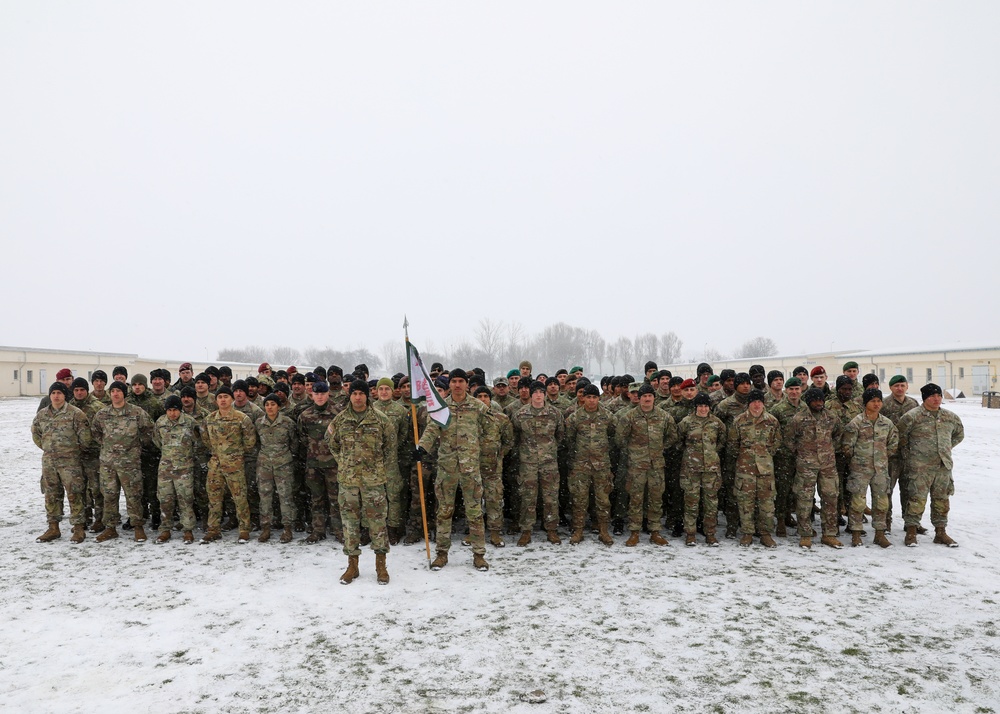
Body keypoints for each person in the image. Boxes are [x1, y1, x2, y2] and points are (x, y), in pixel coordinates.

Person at [416, 369, 491, 572]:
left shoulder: (477, 407)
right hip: (447, 467)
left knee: (474, 512)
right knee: (444, 512)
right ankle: (442, 553)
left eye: (461, 381)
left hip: (470, 468)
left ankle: (479, 554)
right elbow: (432, 429)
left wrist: (479, 452)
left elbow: (488, 431)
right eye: (454, 381)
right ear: (449, 384)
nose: (457, 385)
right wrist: (422, 447)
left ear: (467, 384)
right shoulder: (441, 407)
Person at [328, 380, 395, 585]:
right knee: (349, 523)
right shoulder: (340, 420)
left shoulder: (381, 420)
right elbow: (333, 444)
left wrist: (375, 467)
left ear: (368, 395)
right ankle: (352, 565)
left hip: (373, 481)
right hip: (348, 482)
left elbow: (390, 449)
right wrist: (345, 464)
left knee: (378, 523)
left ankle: (381, 565)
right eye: (354, 393)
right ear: (350, 396)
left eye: (361, 393)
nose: (358, 397)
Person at [897, 383, 964, 548]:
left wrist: (943, 449)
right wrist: (914, 455)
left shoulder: (950, 417)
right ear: (925, 398)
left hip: (943, 467)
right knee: (916, 499)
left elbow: (958, 435)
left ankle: (940, 532)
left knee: (942, 500)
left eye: (939, 396)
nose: (936, 399)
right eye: (932, 396)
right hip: (920, 467)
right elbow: (900, 437)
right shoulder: (912, 416)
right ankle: (911, 531)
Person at [615, 384, 679, 546]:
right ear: (640, 398)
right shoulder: (629, 417)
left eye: (650, 396)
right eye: (644, 396)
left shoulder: (664, 417)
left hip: (656, 465)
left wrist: (660, 448)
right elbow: (620, 439)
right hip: (636, 466)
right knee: (635, 498)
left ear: (654, 398)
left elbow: (672, 436)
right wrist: (634, 452)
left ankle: (655, 531)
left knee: (656, 498)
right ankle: (634, 531)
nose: (647, 399)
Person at [91, 381, 154, 543]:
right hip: (108, 464)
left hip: (130, 463)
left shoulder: (136, 412)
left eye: (119, 391)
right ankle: (110, 528)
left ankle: (138, 526)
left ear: (124, 394)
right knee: (109, 495)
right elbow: (96, 433)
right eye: (112, 391)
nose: (115, 394)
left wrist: (136, 445)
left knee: (133, 496)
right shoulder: (102, 414)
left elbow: (149, 431)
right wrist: (109, 447)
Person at [31, 382, 92, 543]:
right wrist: (46, 447)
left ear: (65, 395)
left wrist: (71, 451)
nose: (56, 396)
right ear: (50, 395)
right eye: (53, 393)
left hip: (70, 462)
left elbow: (85, 438)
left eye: (59, 393)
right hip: (49, 462)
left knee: (75, 494)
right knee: (51, 495)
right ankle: (53, 527)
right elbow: (36, 434)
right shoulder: (42, 415)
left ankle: (78, 528)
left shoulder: (75, 414)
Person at [786, 388, 843, 549]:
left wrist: (829, 450)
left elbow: (839, 435)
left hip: (827, 465)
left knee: (830, 498)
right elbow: (789, 439)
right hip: (806, 465)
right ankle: (805, 534)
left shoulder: (831, 417)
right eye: (815, 400)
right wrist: (801, 452)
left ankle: (829, 534)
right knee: (804, 499)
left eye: (821, 400)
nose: (819, 403)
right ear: (809, 401)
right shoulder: (799, 418)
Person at [511, 380, 565, 546]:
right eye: (535, 392)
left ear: (545, 394)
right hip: (528, 463)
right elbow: (515, 436)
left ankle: (551, 529)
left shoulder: (555, 413)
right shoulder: (520, 414)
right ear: (531, 394)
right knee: (528, 497)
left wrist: (548, 450)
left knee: (550, 497)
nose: (538, 395)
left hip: (549, 462)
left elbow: (560, 435)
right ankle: (526, 530)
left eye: (541, 392)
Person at [841, 389, 898, 548]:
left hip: (880, 469)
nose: (877, 404)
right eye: (873, 401)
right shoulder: (856, 423)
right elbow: (847, 446)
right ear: (866, 403)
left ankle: (880, 534)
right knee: (858, 503)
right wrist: (858, 460)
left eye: (879, 401)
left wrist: (883, 456)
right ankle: (856, 533)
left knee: (881, 503)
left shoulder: (886, 423)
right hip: (860, 469)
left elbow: (893, 443)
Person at [200, 385, 257, 544]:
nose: (223, 400)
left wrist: (234, 454)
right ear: (216, 400)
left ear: (232, 399)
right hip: (216, 464)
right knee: (214, 498)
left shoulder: (241, 418)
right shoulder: (210, 419)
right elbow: (205, 439)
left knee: (240, 497)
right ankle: (213, 529)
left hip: (235, 464)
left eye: (226, 396)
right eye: (220, 397)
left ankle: (244, 529)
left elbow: (250, 441)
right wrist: (218, 452)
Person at [729, 389, 782, 547]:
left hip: (765, 470)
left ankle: (765, 533)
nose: (756, 405)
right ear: (749, 403)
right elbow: (732, 445)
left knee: (767, 504)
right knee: (746, 503)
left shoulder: (772, 421)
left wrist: (765, 454)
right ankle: (747, 533)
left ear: (763, 403)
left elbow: (777, 441)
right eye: (753, 402)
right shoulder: (739, 421)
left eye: (759, 401)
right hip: (745, 470)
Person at [563, 384, 615, 545]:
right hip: (581, 465)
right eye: (589, 397)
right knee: (579, 499)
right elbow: (569, 440)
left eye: (595, 397)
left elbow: (614, 437)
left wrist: (604, 453)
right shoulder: (575, 417)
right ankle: (578, 530)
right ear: (583, 398)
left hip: (602, 465)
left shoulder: (608, 416)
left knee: (603, 500)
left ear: (598, 398)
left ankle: (604, 530)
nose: (592, 400)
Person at [297, 380, 346, 543]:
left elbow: (343, 439)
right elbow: (302, 438)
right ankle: (318, 530)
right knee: (316, 499)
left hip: (333, 464)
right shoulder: (305, 415)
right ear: (311, 395)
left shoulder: (338, 413)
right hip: (314, 466)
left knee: (335, 499)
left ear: (328, 394)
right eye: (316, 394)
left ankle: (338, 530)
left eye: (322, 394)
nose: (319, 397)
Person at [676, 393, 726, 546]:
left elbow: (722, 441)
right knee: (691, 502)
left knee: (711, 503)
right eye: (700, 406)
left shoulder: (716, 423)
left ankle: (710, 533)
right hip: (691, 469)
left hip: (711, 469)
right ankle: (690, 534)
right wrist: (692, 453)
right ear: (695, 407)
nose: (703, 409)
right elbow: (678, 441)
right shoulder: (686, 422)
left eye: (706, 406)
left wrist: (710, 454)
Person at [152, 395, 199, 544]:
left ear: (181, 410)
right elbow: (157, 441)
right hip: (166, 468)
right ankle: (165, 529)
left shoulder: (190, 423)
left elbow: (197, 442)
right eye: (169, 410)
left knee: (185, 500)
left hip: (184, 469)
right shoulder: (160, 423)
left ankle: (188, 530)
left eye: (175, 410)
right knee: (165, 500)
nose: (172, 413)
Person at [255, 393, 299, 543]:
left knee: (285, 496)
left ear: (279, 406)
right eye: (267, 404)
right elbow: (256, 443)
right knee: (265, 497)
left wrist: (287, 457)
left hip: (283, 464)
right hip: (264, 464)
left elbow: (294, 443)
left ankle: (287, 528)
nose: (270, 407)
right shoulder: (259, 423)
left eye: (273, 404)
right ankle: (266, 527)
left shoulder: (287, 423)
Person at [372, 377, 411, 545]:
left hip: (392, 460)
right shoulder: (370, 409)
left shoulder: (401, 411)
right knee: (373, 496)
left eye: (387, 389)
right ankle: (373, 528)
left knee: (393, 495)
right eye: (381, 389)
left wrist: (393, 447)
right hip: (373, 460)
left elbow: (403, 433)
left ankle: (393, 528)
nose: (384, 392)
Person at [880, 375, 919, 533]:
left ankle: (910, 522)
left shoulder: (913, 404)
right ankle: (886, 521)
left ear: (907, 387)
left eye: (902, 385)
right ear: (890, 388)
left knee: (910, 490)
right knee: (887, 489)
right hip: (892, 455)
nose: (900, 388)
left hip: (910, 454)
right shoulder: (884, 404)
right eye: (896, 386)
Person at [768, 376, 807, 537]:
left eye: (797, 389)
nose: (794, 392)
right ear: (786, 390)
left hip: (803, 455)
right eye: (791, 389)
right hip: (783, 456)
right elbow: (771, 430)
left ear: (801, 390)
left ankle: (793, 516)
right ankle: (781, 521)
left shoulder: (806, 407)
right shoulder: (778, 409)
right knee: (782, 489)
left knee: (798, 489)